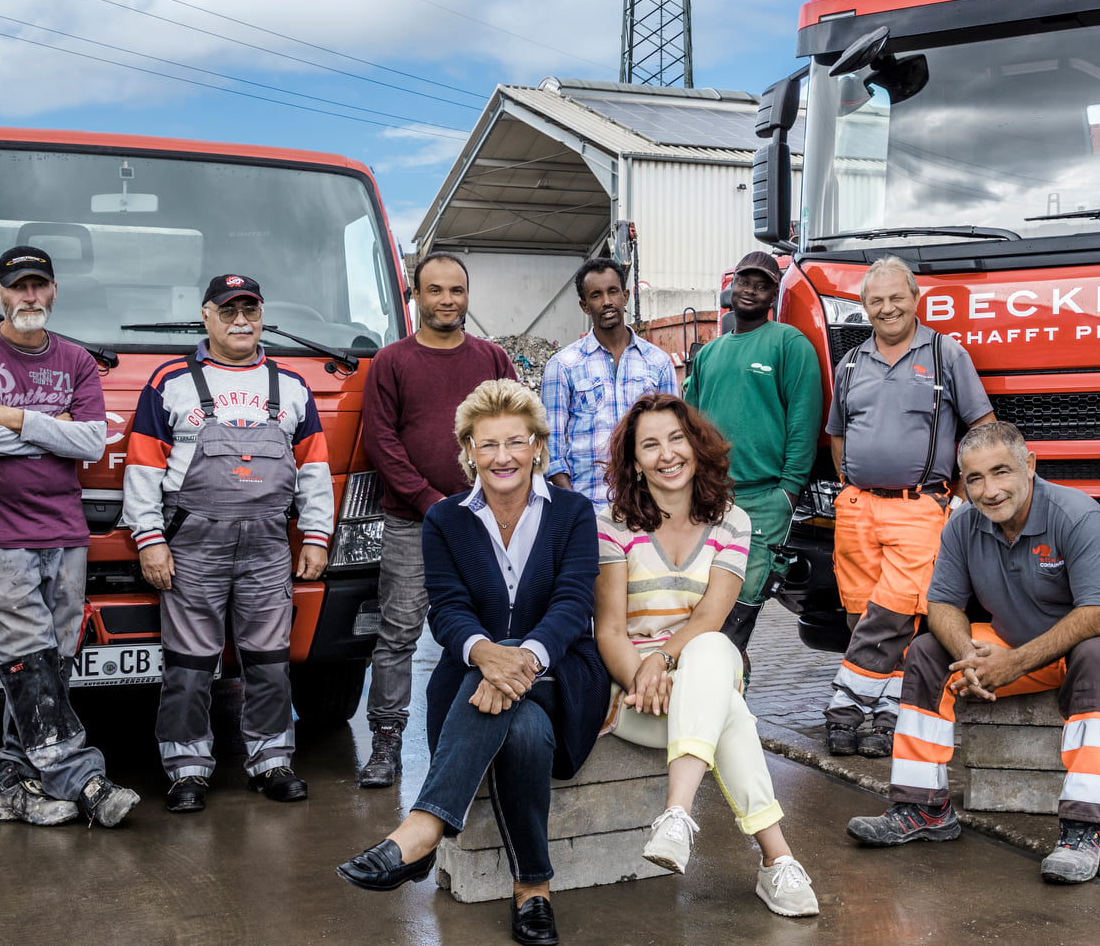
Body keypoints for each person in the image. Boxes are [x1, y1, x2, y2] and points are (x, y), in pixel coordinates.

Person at [336, 379, 609, 946]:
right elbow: (450, 609)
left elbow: (572, 604)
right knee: (525, 732)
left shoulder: (575, 513)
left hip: (561, 675)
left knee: (527, 708)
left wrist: (522, 663)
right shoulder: (446, 519)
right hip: (472, 675)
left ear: (538, 445)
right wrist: (486, 654)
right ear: (468, 453)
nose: (502, 457)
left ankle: (423, 827)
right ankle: (533, 890)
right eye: (487, 445)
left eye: (515, 442)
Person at [844, 420, 1100, 885]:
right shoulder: (962, 523)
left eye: (1001, 472)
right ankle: (922, 808)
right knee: (928, 651)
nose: (990, 491)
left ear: (1030, 466)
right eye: (975, 479)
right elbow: (941, 604)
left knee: (1095, 655)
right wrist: (973, 658)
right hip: (1019, 641)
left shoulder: (1075, 514)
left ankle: (1084, 829)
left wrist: (1012, 664)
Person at [592, 393, 820, 918]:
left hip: (698, 668)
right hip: (637, 698)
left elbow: (708, 619)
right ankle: (776, 861)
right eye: (650, 445)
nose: (667, 454)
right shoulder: (612, 524)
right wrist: (643, 677)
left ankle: (676, 815)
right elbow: (609, 630)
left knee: (717, 648)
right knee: (730, 707)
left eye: (677, 439)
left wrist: (665, 662)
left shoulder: (732, 521)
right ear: (633, 461)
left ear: (697, 446)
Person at [0, 246, 140, 828]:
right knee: (28, 659)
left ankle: (12, 786)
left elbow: (90, 444)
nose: (30, 296)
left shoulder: (77, 361)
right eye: (18, 287)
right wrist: (56, 434)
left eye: (39, 286)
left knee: (51, 664)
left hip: (64, 533)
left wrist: (18, 419)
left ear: (53, 292)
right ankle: (87, 781)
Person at [124, 274, 334, 812]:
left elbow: (313, 468)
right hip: (194, 544)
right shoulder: (169, 381)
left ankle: (271, 762)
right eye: (229, 310)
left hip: (268, 544)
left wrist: (316, 535)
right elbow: (143, 468)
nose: (241, 320)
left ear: (261, 316)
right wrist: (149, 540)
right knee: (190, 663)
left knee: (268, 660)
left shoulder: (290, 386)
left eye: (250, 310)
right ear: (207, 316)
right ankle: (186, 769)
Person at [357, 249, 517, 788]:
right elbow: (380, 440)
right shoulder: (392, 362)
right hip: (412, 523)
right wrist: (430, 502)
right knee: (399, 631)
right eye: (436, 290)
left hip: (486, 521)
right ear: (416, 295)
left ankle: (484, 733)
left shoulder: (493, 358)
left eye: (457, 290)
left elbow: (516, 431)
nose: (447, 300)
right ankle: (386, 744)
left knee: (491, 629)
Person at [823, 256, 993, 758]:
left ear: (915, 300)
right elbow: (837, 435)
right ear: (864, 307)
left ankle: (845, 706)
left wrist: (963, 494)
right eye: (875, 301)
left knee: (894, 612)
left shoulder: (946, 354)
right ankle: (887, 714)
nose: (887, 308)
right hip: (856, 510)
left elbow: (982, 427)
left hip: (919, 507)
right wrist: (852, 488)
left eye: (897, 298)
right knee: (861, 615)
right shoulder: (851, 363)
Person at [683, 251, 821, 651]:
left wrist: (788, 492)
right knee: (706, 607)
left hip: (764, 498)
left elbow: (803, 423)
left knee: (742, 607)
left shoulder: (789, 345)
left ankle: (724, 694)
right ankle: (727, 693)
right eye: (745, 282)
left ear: (773, 296)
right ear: (732, 287)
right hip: (709, 498)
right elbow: (688, 425)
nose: (751, 291)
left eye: (762, 286)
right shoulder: (708, 353)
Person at [541, 257, 677, 511]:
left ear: (625, 296)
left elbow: (673, 441)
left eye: (612, 291)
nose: (606, 302)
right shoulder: (562, 366)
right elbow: (551, 453)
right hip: (589, 510)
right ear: (584, 305)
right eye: (596, 295)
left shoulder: (658, 363)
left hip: (647, 507)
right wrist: (575, 509)